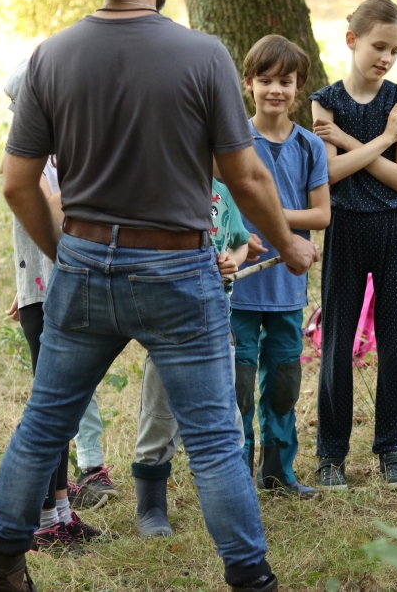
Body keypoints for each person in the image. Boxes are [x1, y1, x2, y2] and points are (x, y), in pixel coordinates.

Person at [0, 0, 317, 590]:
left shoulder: (50, 57)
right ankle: (252, 579)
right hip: (177, 273)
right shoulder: (203, 56)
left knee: (45, 421)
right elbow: (245, 177)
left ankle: (1, 566)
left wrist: (71, 256)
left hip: (81, 265)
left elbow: (18, 184)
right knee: (216, 436)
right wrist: (287, 244)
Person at [310, 0, 397, 491]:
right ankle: (330, 455)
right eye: (378, 46)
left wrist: (355, 144)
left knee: (396, 344)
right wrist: (382, 140)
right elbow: (329, 173)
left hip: (394, 229)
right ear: (352, 39)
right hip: (345, 227)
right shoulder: (325, 102)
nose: (386, 58)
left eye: (395, 50)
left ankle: (393, 450)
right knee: (337, 344)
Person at [2, 61, 111, 552]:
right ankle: (44, 518)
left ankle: (62, 510)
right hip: (44, 293)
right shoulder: (30, 161)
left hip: (56, 288)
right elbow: (49, 212)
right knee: (50, 410)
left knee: (64, 407)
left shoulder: (57, 157)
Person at [231, 35, 330, 499]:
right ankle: (237, 474)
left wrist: (268, 215)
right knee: (240, 383)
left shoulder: (309, 147)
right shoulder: (232, 144)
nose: (276, 90)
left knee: (284, 381)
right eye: (265, 80)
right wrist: (243, 224)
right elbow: (221, 204)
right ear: (248, 83)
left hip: (288, 285)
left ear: (299, 87)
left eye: (285, 82)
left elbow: (322, 215)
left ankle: (278, 472)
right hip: (240, 285)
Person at [131, 169, 251, 538]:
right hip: (168, 323)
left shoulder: (224, 192)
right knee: (159, 415)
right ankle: (151, 506)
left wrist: (233, 259)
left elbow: (240, 242)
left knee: (226, 417)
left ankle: (232, 501)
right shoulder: (162, 188)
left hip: (217, 323)